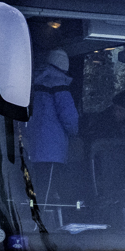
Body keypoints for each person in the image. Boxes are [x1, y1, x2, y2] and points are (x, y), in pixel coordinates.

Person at [21, 49, 78, 205]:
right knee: (48, 193)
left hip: (33, 146)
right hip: (52, 150)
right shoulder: (59, 86)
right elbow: (70, 118)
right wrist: (75, 133)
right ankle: (44, 218)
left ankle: (35, 215)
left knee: (37, 188)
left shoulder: (33, 84)